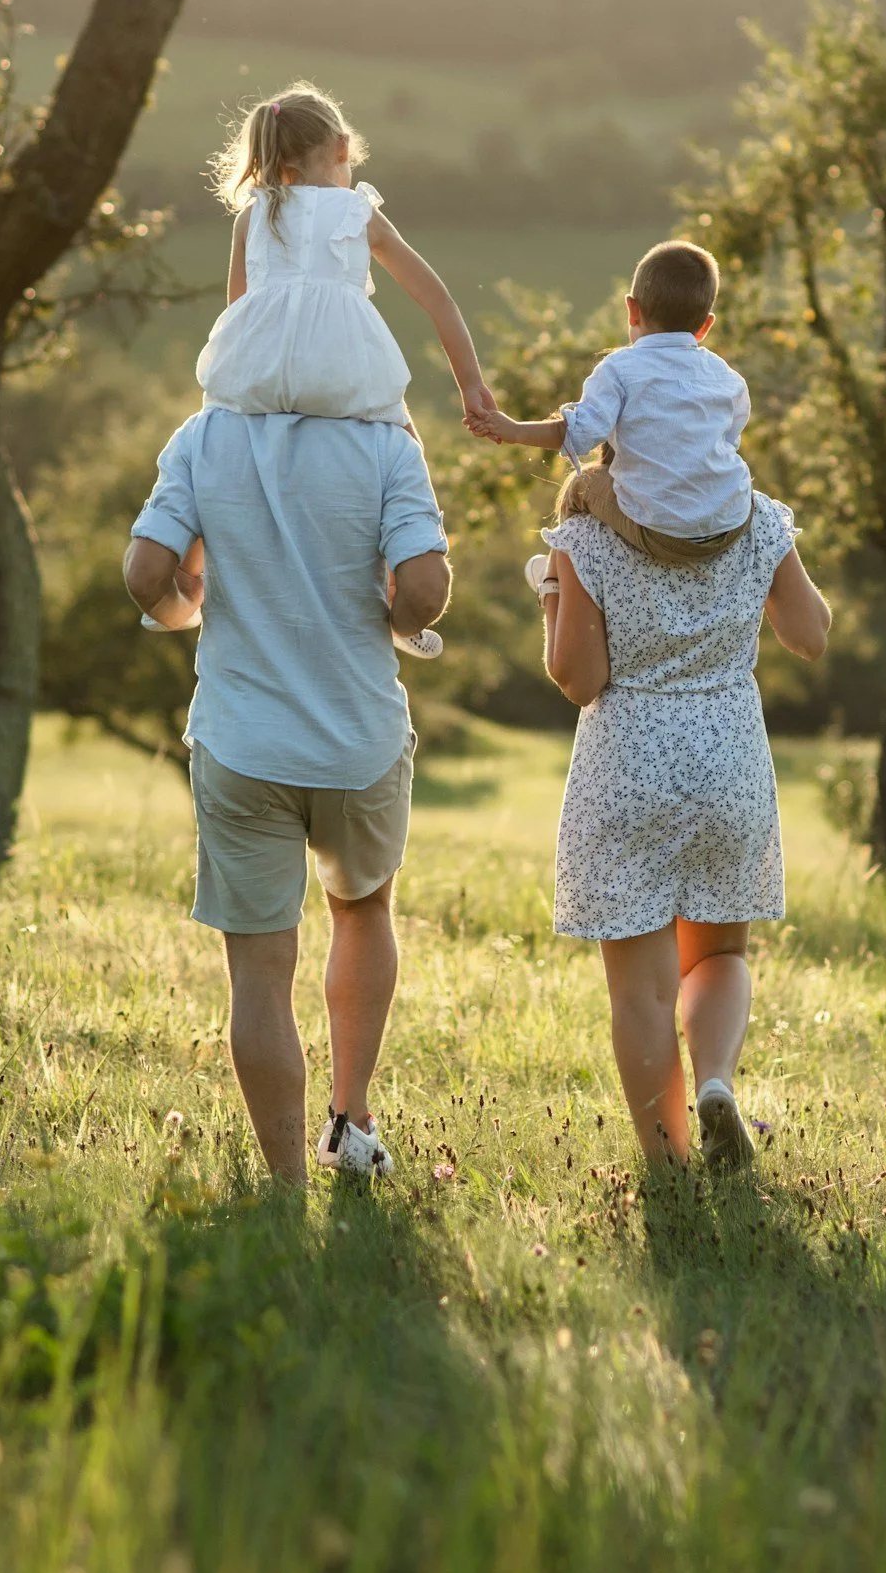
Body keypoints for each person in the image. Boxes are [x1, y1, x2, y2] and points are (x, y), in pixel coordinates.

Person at [122, 402, 450, 1185]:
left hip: (243, 741)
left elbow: (146, 577)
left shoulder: (205, 436)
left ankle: (285, 1189)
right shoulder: (388, 442)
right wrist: (389, 612)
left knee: (260, 970)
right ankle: (351, 1121)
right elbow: (427, 593)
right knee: (363, 909)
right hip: (356, 741)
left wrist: (185, 608)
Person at [532, 471, 831, 1168]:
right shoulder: (755, 521)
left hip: (630, 768)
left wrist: (554, 598)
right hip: (728, 765)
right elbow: (810, 635)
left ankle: (668, 1167)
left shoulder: (584, 538)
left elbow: (581, 679)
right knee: (720, 956)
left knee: (641, 989)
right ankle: (717, 1082)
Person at [196, 83, 494, 655]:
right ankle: (398, 592)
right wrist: (472, 389)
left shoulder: (251, 216)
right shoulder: (360, 212)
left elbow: (237, 315)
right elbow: (439, 300)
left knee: (206, 451)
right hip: (342, 377)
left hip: (258, 378)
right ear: (341, 148)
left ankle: (194, 572)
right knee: (405, 450)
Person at [472, 238, 753, 567]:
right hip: (731, 523)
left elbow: (578, 434)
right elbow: (727, 443)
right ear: (706, 325)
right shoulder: (728, 377)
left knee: (580, 486)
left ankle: (552, 582)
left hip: (662, 533)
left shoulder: (619, 369)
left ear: (632, 310)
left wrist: (514, 430)